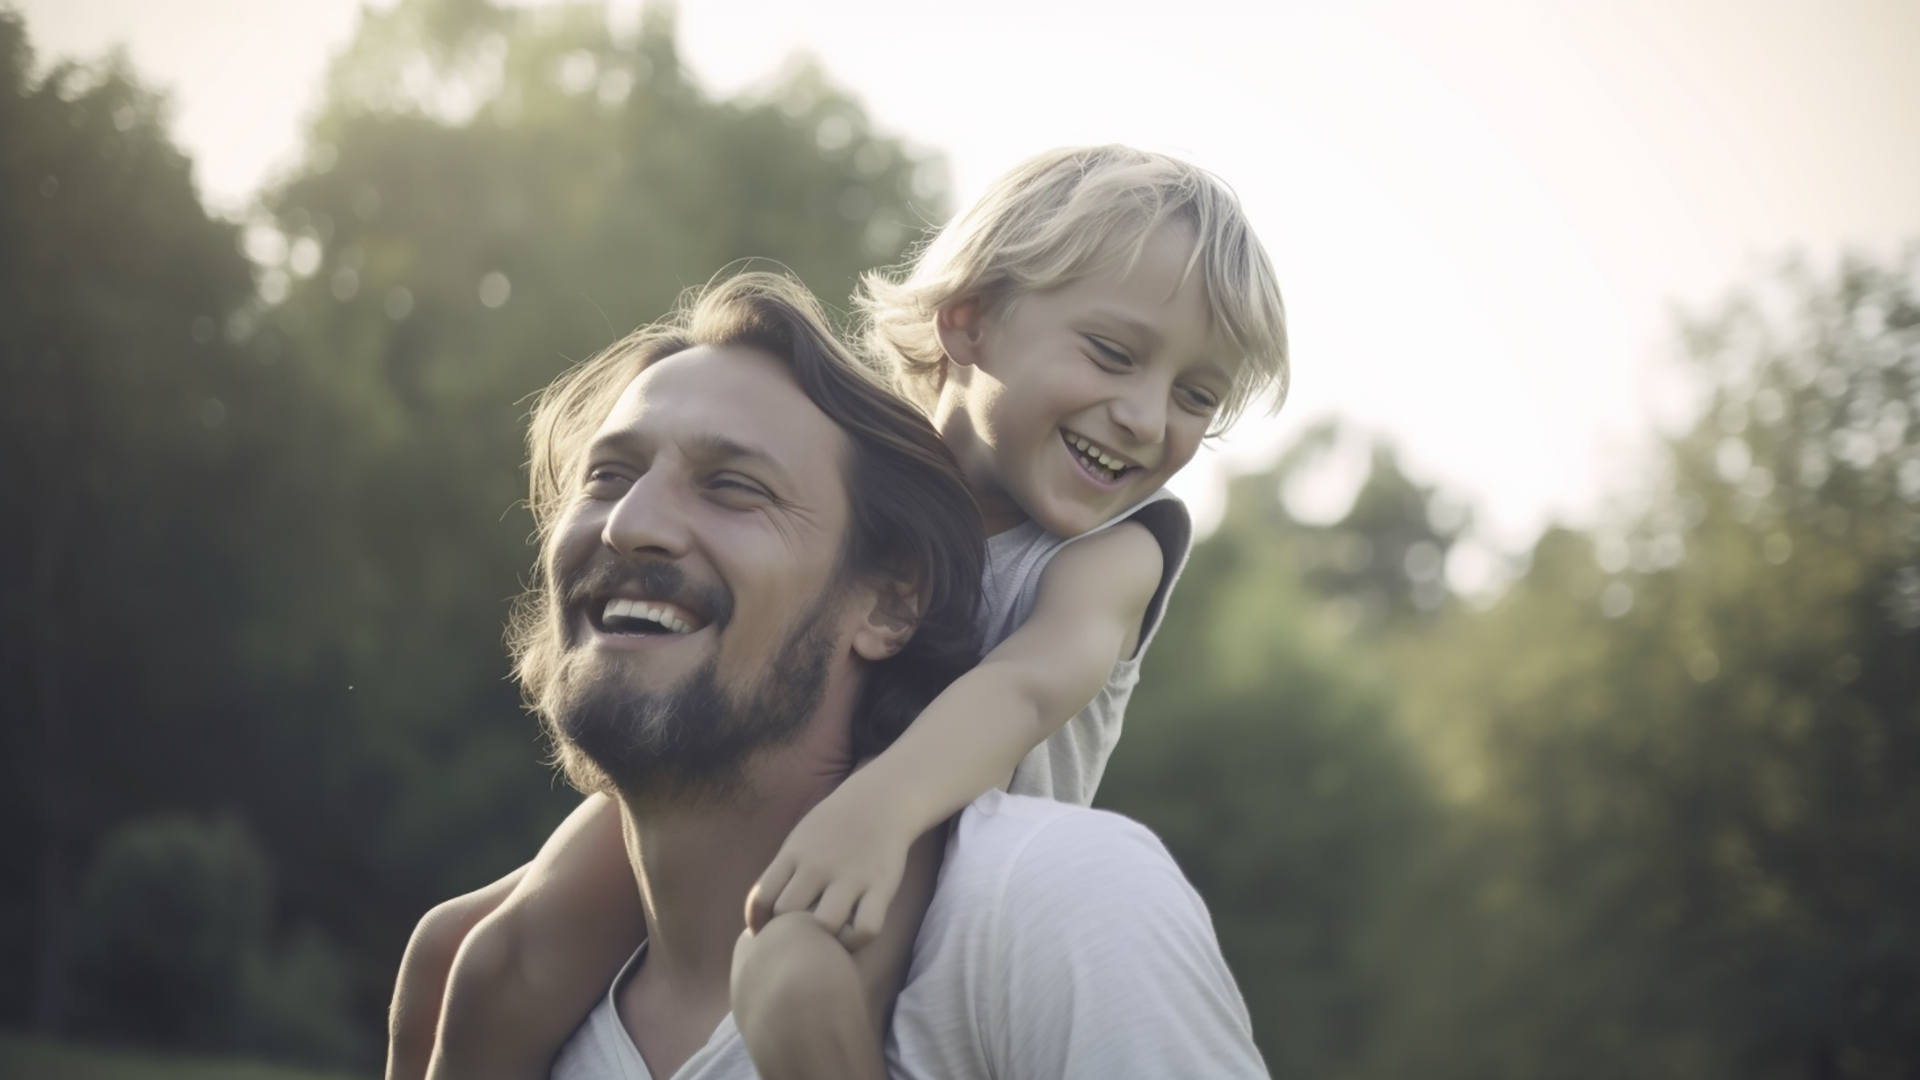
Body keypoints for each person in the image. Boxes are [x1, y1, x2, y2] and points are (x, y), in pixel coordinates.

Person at [389, 146, 1289, 1080]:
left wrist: (878, 811)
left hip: (922, 829)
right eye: (1113, 354)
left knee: (791, 976)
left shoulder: (1116, 551)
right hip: (782, 803)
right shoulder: (859, 472)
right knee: (464, 949)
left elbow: (1024, 689)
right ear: (969, 323)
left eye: (1196, 397)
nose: (1146, 416)